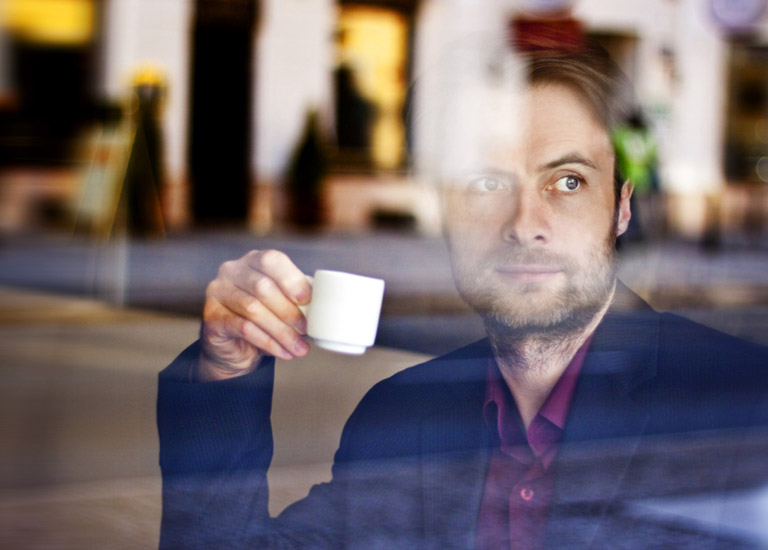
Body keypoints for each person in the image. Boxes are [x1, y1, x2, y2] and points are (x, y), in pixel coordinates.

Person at [157, 42, 768, 549]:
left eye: (568, 181)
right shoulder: (400, 418)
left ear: (622, 206)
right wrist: (224, 371)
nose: (524, 222)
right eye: (484, 181)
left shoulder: (743, 404)